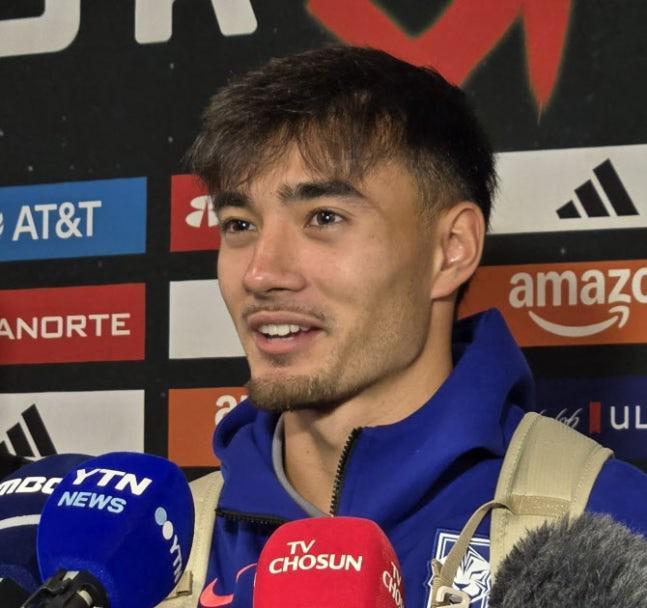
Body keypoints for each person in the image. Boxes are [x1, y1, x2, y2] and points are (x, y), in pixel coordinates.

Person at [181, 46, 647, 608]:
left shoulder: (617, 529)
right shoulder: (158, 549)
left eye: (324, 218)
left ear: (451, 249)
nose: (260, 272)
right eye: (239, 224)